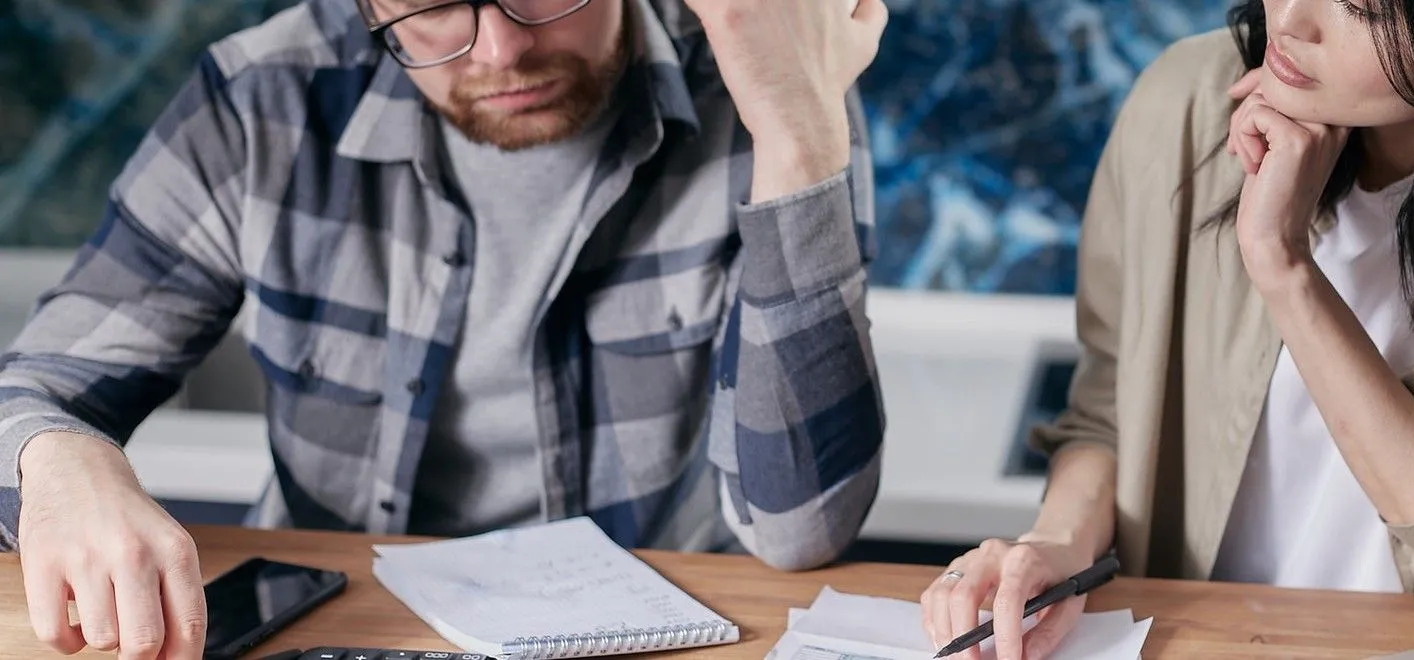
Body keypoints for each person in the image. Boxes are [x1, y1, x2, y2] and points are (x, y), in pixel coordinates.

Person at [0, 0, 889, 656]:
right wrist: (60, 463)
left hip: (665, 630)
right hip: (339, 624)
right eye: (430, 10)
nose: (501, 50)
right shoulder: (259, 99)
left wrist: (800, 138)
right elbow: (39, 386)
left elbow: (799, 525)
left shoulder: (772, 80)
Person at [921, 0, 1414, 657]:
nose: (1290, 22)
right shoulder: (1189, 101)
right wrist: (1056, 545)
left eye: (1363, 6)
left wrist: (1283, 265)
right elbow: (1111, 406)